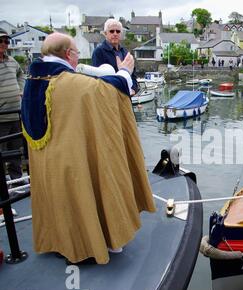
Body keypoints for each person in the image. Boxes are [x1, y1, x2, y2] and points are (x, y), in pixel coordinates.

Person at [21, 33, 156, 264]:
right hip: (72, 157)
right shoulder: (69, 83)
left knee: (55, 196)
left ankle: (58, 242)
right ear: (68, 54)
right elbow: (107, 90)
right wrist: (124, 71)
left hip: (46, 160)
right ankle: (89, 245)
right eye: (75, 53)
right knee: (82, 193)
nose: (76, 59)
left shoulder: (32, 79)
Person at [0, 28, 26, 189]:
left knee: (16, 150)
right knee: (1, 153)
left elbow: (21, 74)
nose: (4, 44)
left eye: (6, 41)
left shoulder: (11, 61)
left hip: (15, 114)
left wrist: (20, 89)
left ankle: (17, 181)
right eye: (0, 41)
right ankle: (3, 187)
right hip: (1, 117)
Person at [92, 18, 138, 94]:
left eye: (118, 31)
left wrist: (133, 89)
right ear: (105, 33)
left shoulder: (125, 52)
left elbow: (133, 75)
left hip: (126, 96)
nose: (115, 34)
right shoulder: (99, 52)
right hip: (109, 96)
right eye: (112, 31)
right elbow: (97, 78)